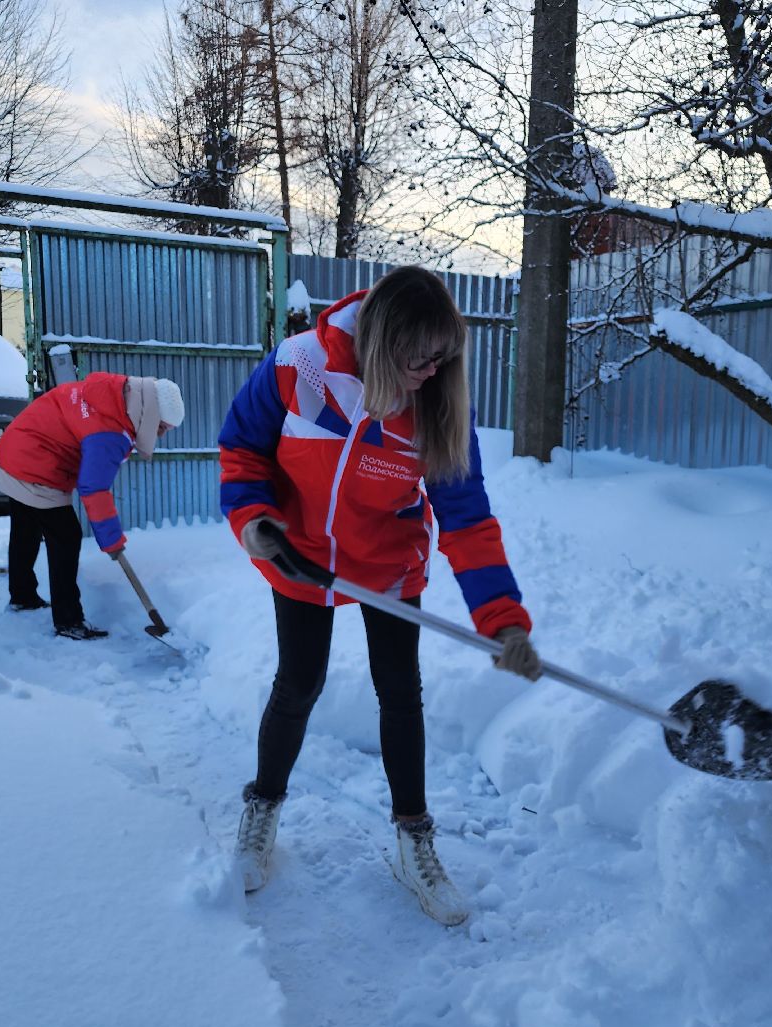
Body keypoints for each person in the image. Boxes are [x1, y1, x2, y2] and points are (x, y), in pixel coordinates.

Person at [218, 266, 543, 926]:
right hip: (300, 555)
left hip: (390, 567)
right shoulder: (300, 367)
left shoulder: (436, 407)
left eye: (442, 359)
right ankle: (262, 808)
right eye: (419, 359)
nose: (431, 373)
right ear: (383, 342)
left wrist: (503, 620)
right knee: (298, 682)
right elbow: (242, 451)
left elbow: (468, 518)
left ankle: (414, 840)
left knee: (400, 690)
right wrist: (256, 522)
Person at [0, 372, 184, 640]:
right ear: (151, 414)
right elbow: (93, 487)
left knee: (27, 526)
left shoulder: (116, 394)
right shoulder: (111, 432)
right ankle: (68, 620)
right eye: (161, 427)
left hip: (18, 448)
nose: (160, 435)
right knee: (66, 536)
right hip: (35, 462)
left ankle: (22, 596)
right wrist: (112, 541)